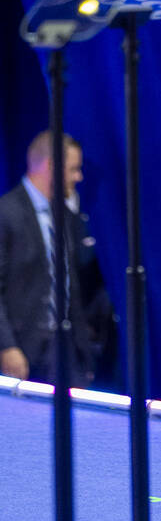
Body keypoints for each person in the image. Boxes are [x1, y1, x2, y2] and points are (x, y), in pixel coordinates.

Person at [0, 132, 95, 386]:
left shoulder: (64, 214)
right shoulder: (6, 214)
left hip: (65, 352)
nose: (79, 177)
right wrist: (6, 346)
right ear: (52, 165)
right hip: (23, 351)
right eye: (74, 169)